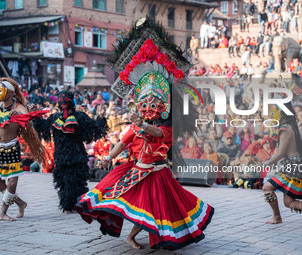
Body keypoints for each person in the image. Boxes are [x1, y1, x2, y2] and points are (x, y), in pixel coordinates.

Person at [75, 18, 214, 250]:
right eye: (144, 102)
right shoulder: (136, 126)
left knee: (156, 210)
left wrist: (141, 124)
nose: (148, 106)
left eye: (154, 103)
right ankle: (131, 236)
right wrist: (108, 157)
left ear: (164, 107)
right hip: (135, 171)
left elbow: (158, 132)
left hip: (158, 174)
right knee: (122, 201)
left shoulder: (167, 127)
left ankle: (133, 236)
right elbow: (122, 142)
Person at [33, 90, 108, 213]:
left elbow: (95, 127)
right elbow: (42, 126)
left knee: (78, 180)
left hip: (77, 155)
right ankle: (67, 205)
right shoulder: (55, 117)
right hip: (61, 156)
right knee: (63, 181)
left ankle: (78, 203)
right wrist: (35, 114)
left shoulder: (80, 117)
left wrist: (101, 117)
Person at [0, 78, 46, 221]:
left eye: (1, 90)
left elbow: (28, 125)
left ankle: (3, 213)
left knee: (12, 183)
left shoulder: (19, 108)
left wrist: (20, 117)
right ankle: (21, 203)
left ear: (11, 93)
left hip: (11, 148)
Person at [262, 102, 302, 226]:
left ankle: (277, 217)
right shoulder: (289, 127)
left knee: (267, 188)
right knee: (289, 202)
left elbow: (280, 153)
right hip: (293, 165)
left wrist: (266, 163)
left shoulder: (286, 129)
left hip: (292, 167)